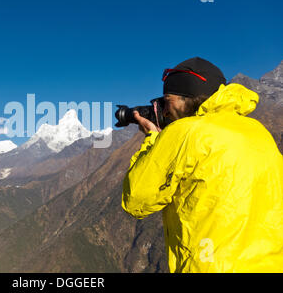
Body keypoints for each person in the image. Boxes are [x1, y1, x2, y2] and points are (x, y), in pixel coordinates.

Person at [121, 57, 283, 273]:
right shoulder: (258, 131)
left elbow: (135, 199)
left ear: (184, 98)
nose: (165, 111)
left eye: (167, 100)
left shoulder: (184, 132)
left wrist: (152, 138)